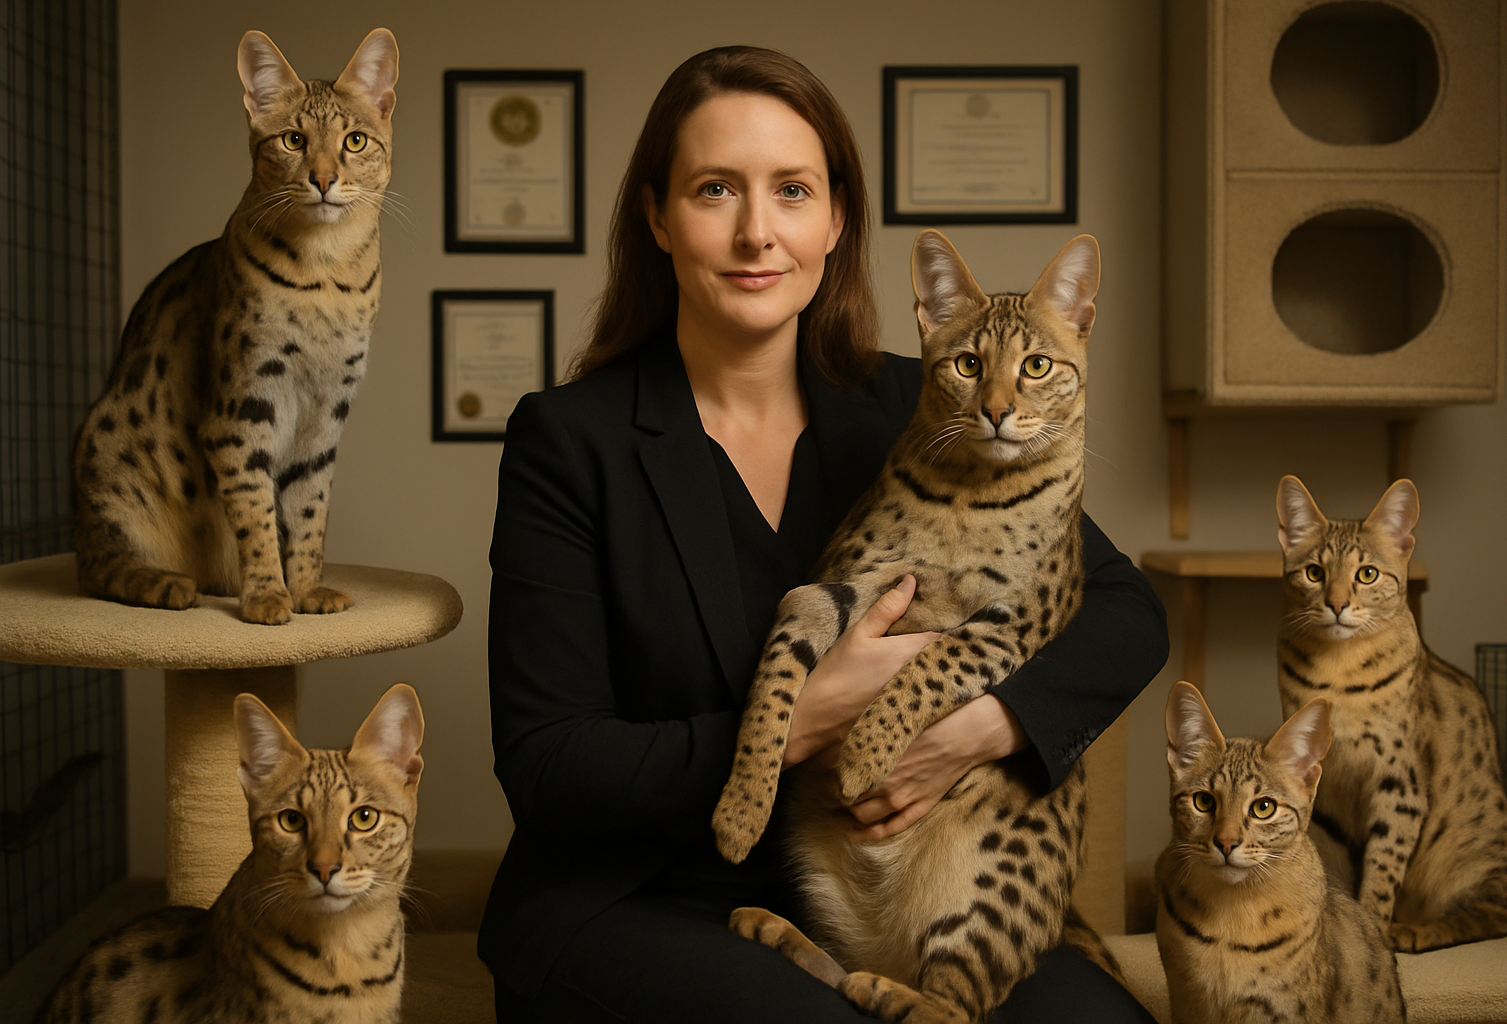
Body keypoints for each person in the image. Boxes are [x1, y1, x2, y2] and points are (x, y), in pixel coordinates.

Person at [479, 45, 1167, 1023]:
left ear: (836, 220)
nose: (758, 232)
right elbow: (548, 765)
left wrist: (984, 725)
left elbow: (1129, 613)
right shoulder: (569, 440)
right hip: (642, 896)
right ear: (656, 216)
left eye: (792, 191)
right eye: (716, 189)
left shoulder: (919, 401)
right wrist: (804, 721)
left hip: (888, 888)